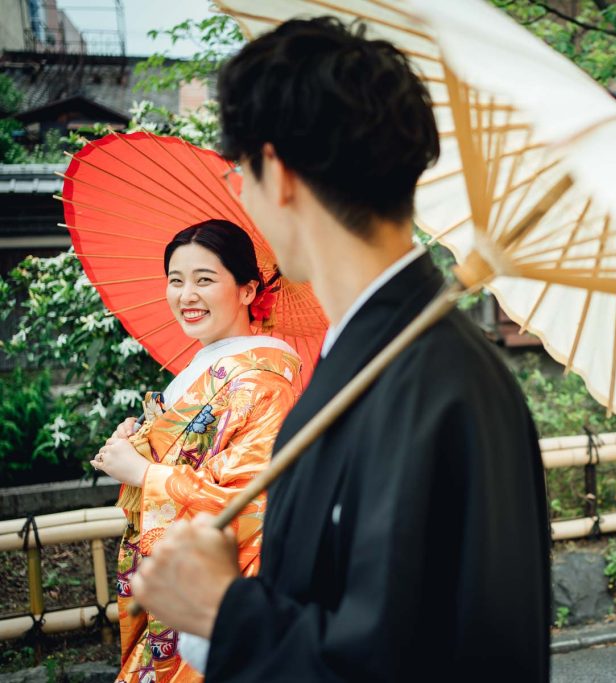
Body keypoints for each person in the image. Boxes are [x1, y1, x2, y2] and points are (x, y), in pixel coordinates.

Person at [129, 17, 551, 682]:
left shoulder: (440, 388)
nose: (239, 193)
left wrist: (226, 612)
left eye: (241, 171)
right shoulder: (373, 356)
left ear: (280, 171)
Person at [91, 219, 303, 682]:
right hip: (182, 572)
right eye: (175, 280)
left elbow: (251, 500)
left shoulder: (263, 382)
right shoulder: (208, 367)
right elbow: (185, 451)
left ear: (248, 290)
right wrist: (139, 441)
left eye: (204, 279)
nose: (186, 295)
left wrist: (146, 474)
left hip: (229, 579)